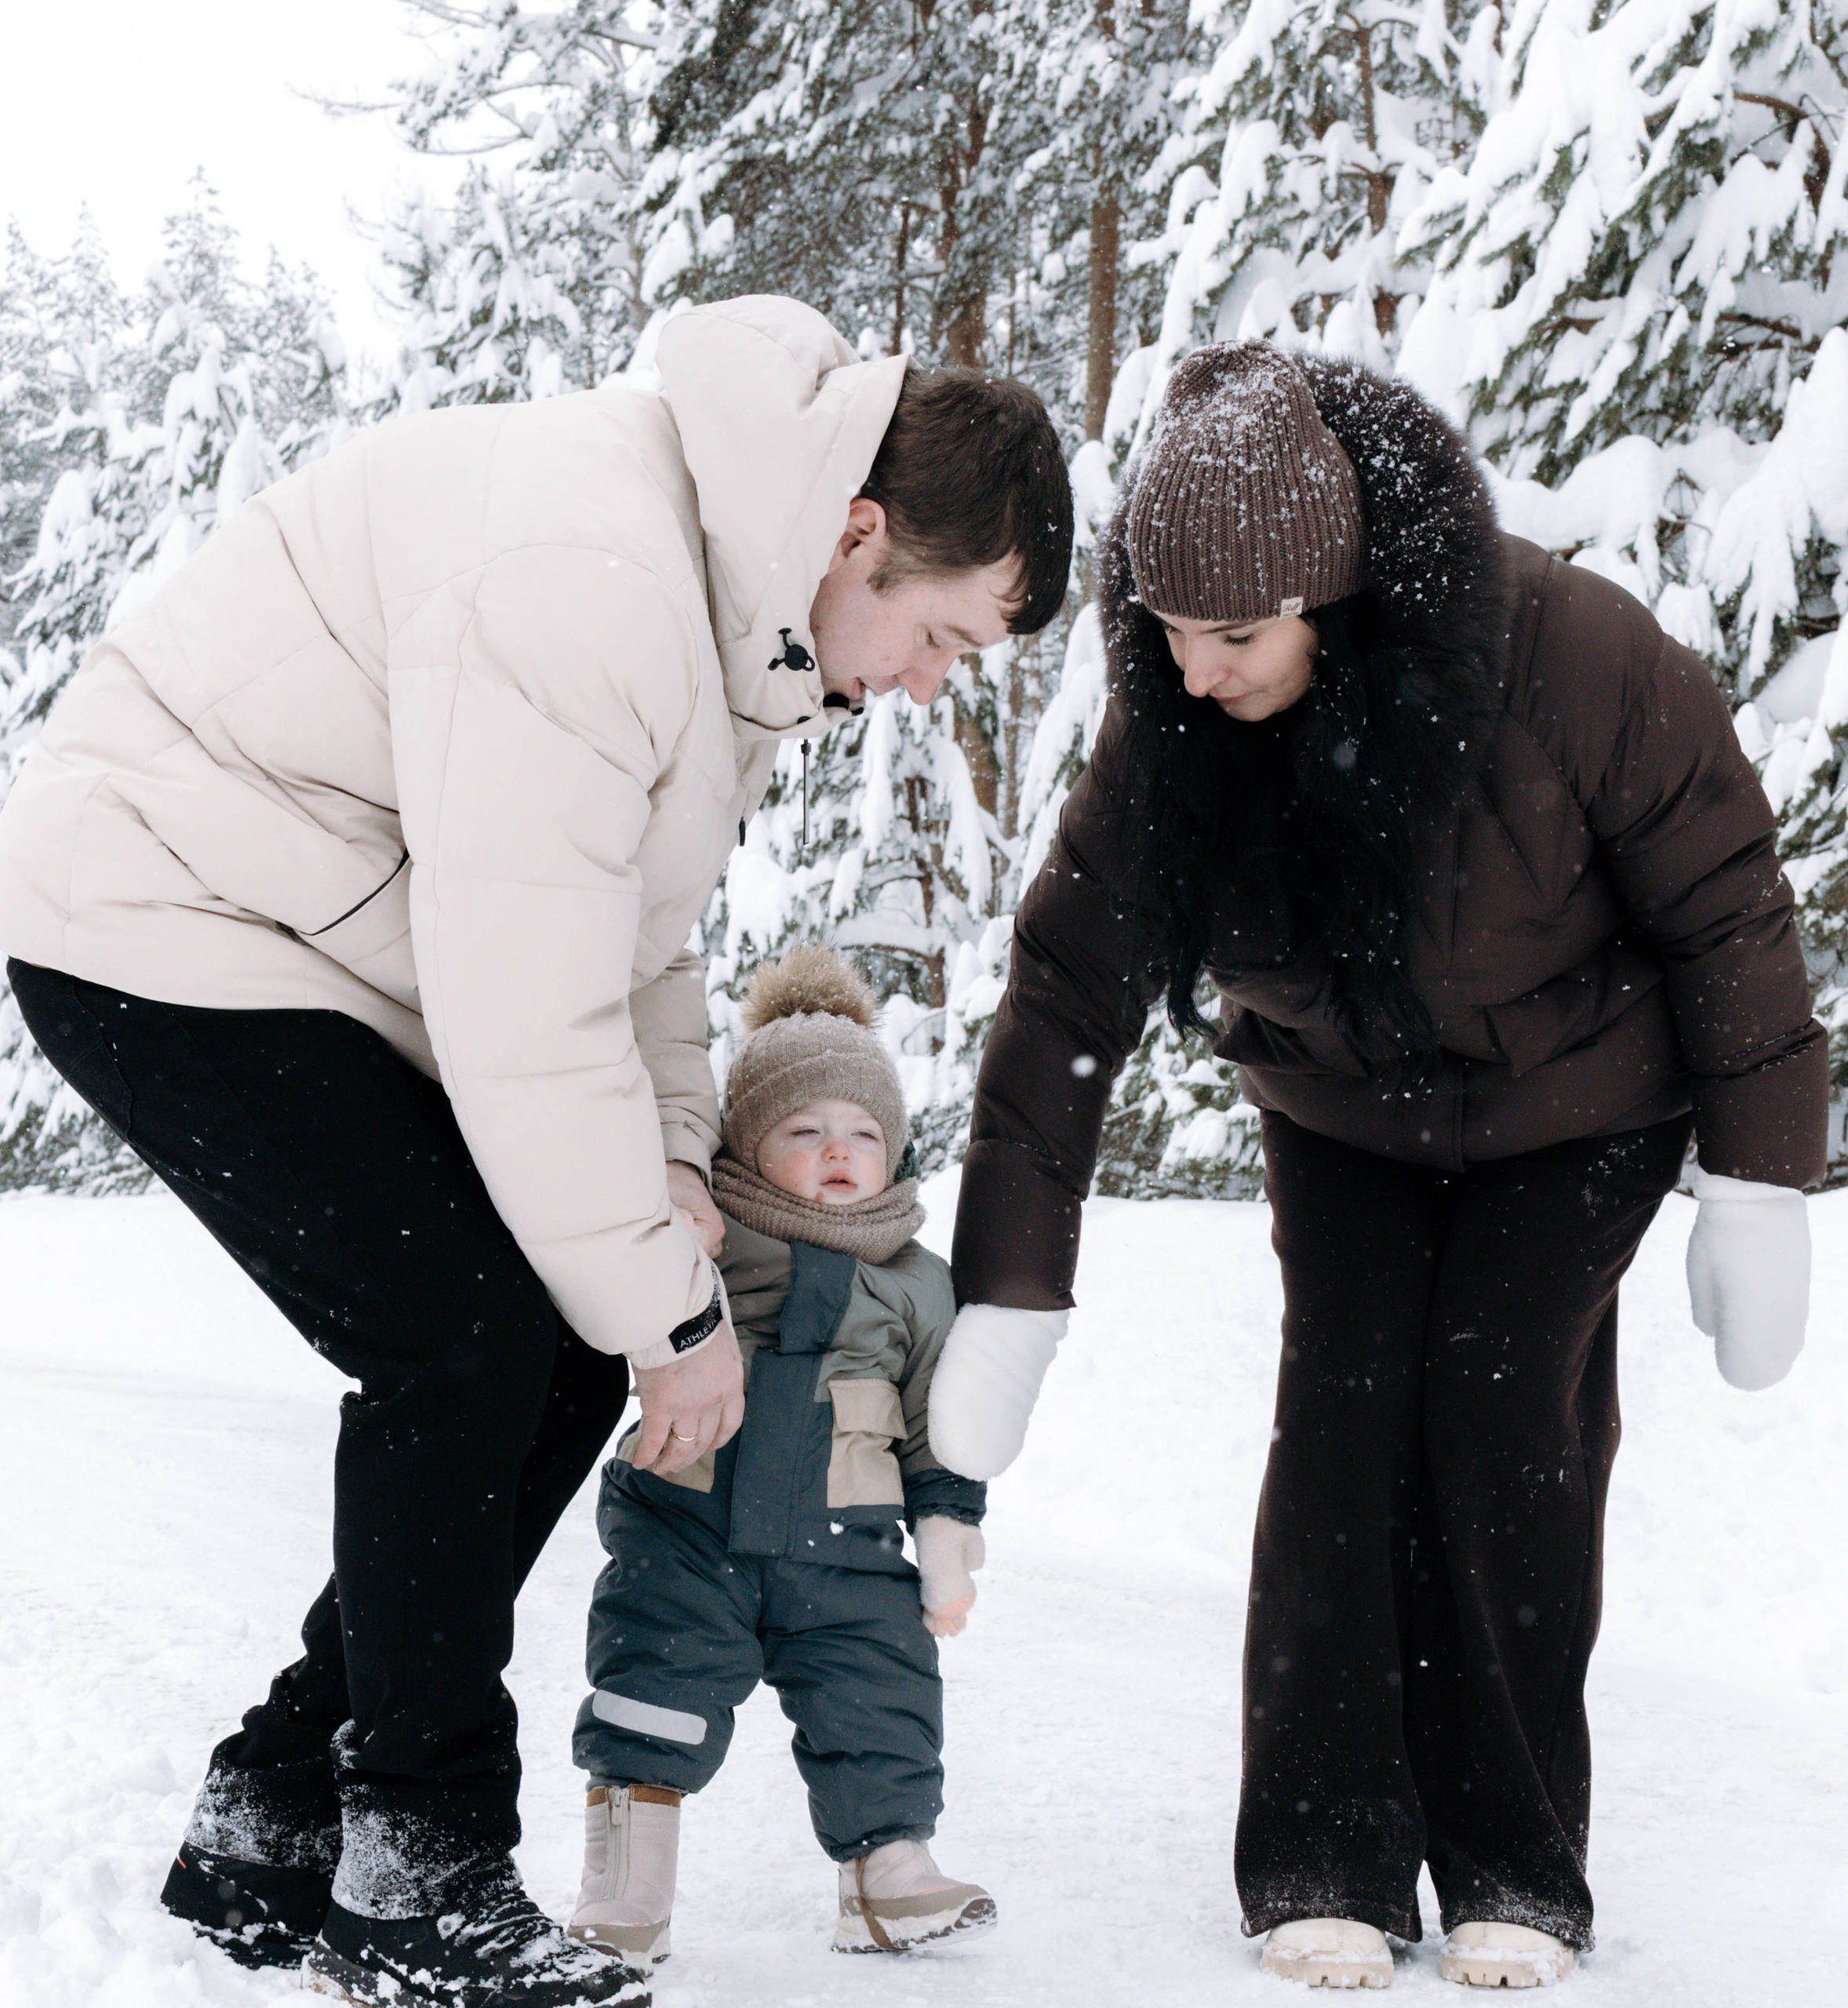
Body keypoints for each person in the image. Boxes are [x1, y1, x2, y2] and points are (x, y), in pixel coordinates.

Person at [0, 296, 1068, 2008]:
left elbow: (631, 947)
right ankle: (415, 1866)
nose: (929, 683)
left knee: (557, 1329)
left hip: (311, 940)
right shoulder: (600, 578)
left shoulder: (722, 612)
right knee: (463, 1336)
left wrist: (658, 1182)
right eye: (940, 635)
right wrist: (676, 1308)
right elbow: (520, 1008)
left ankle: (278, 1799)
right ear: (857, 535)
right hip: (157, 914)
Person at [928, 342, 1823, 1989]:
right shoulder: (1173, 724)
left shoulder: (1568, 655)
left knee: (1498, 1412)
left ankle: (1513, 1857)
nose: (1191, 674)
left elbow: (1723, 902)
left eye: (1233, 636)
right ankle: (1322, 1846)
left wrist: (1761, 1179)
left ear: (1333, 598)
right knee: (1342, 1412)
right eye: (1167, 634)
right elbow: (1064, 995)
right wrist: (1009, 1288)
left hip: (1580, 1100)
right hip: (1343, 1108)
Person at [566, 946, 991, 1966]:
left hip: (850, 1546)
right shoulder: (700, 1242)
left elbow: (944, 1419)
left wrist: (949, 1533)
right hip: (688, 1523)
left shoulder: (918, 1284)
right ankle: (627, 1880)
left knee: (880, 1693)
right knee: (653, 1683)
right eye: (802, 1131)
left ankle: (890, 1870)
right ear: (748, 1149)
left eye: (862, 1131)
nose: (837, 1149)